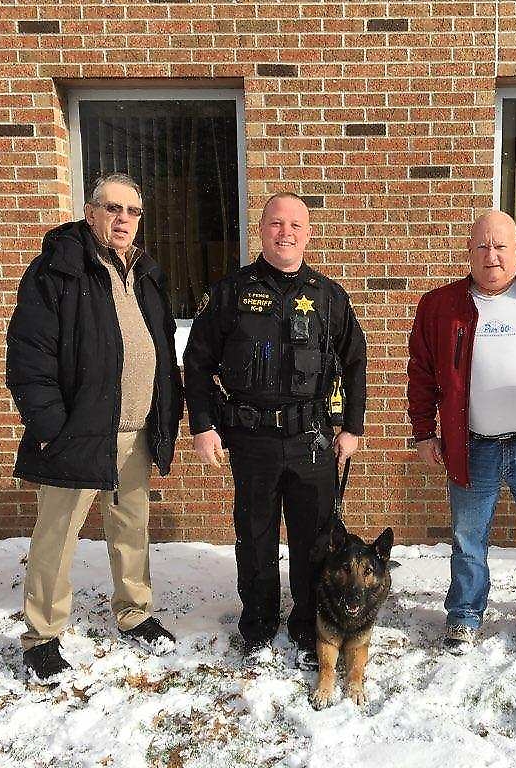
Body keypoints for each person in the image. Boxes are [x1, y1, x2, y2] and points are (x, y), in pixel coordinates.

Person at [6, 173, 184, 682]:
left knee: (131, 529)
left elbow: (161, 349)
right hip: (76, 432)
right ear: (90, 212)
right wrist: (49, 425)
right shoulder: (57, 269)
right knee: (57, 536)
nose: (123, 219)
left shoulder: (146, 273)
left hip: (135, 431)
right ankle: (42, 633)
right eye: (112, 208)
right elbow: (29, 354)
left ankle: (134, 612)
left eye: (132, 211)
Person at [182, 192, 367, 668]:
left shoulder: (329, 296)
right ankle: (260, 625)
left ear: (308, 233)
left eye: (295, 225)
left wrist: (353, 428)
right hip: (252, 440)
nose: (285, 233)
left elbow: (355, 360)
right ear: (261, 229)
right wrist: (203, 425)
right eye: (276, 224)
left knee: (315, 542)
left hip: (312, 440)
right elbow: (197, 362)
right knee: (256, 536)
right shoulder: (230, 293)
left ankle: (309, 624)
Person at [407, 210, 516, 656]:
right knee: (468, 539)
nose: (492, 255)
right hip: (471, 445)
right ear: (468, 252)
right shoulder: (439, 305)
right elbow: (422, 373)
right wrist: (424, 431)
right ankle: (464, 616)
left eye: (500, 245)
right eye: (482, 246)